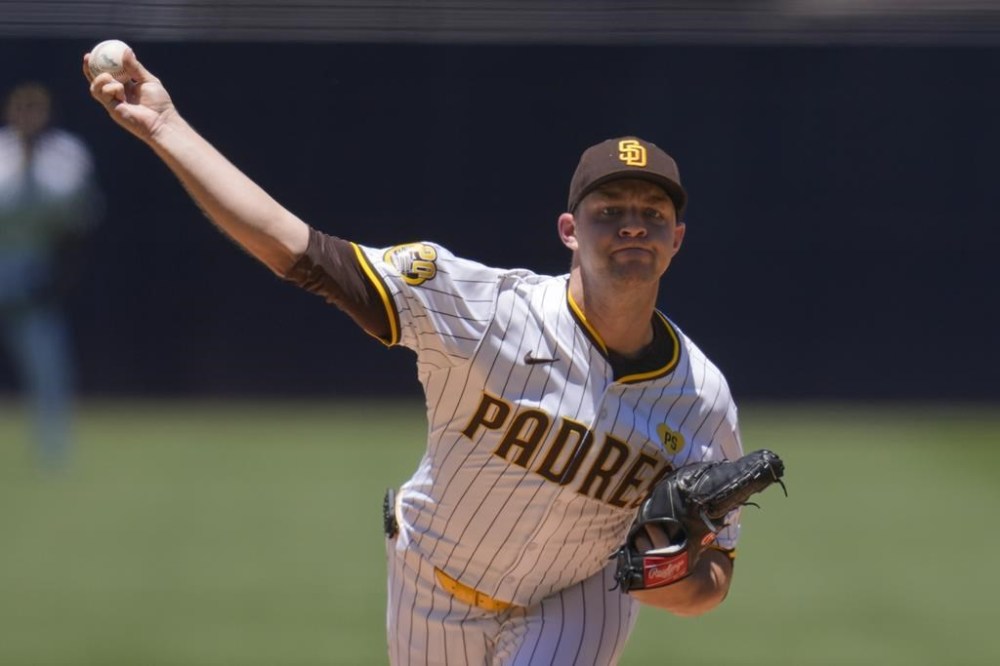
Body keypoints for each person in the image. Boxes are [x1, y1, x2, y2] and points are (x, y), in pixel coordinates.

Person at [85, 48, 747, 665]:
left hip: (582, 593)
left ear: (677, 238)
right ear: (570, 231)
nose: (634, 224)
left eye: (653, 212)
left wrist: (663, 573)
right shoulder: (482, 308)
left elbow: (715, 578)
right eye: (611, 209)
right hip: (433, 581)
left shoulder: (701, 398)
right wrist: (165, 127)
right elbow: (300, 252)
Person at [0, 82, 102, 467]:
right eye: (21, 108)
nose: (27, 116)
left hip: (33, 272)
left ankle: (52, 452)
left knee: (47, 367)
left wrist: (62, 274)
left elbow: (76, 220)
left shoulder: (66, 154)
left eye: (34, 109)